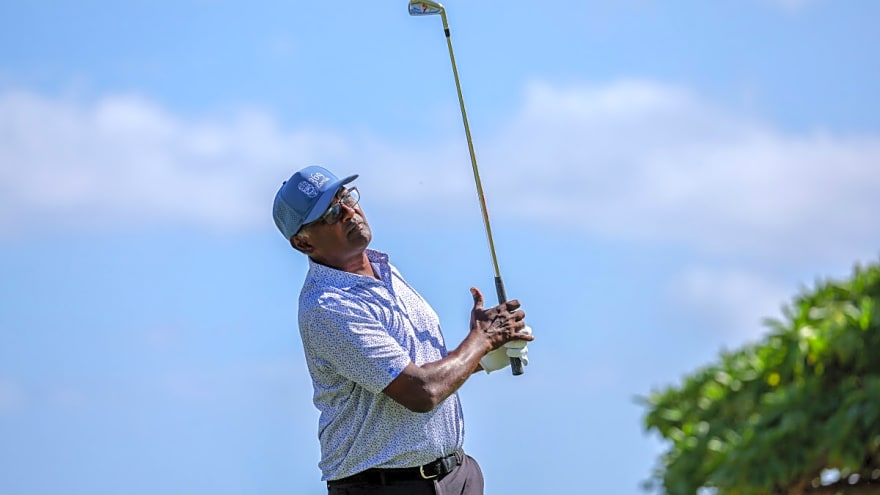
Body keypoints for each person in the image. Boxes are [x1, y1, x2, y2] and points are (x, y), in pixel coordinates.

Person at [272, 165, 534, 495]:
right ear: (303, 243)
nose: (350, 213)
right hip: (385, 487)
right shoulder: (326, 306)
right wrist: (481, 341)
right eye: (331, 213)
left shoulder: (384, 269)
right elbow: (420, 392)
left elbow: (419, 366)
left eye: (347, 198)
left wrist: (481, 357)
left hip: (457, 475)